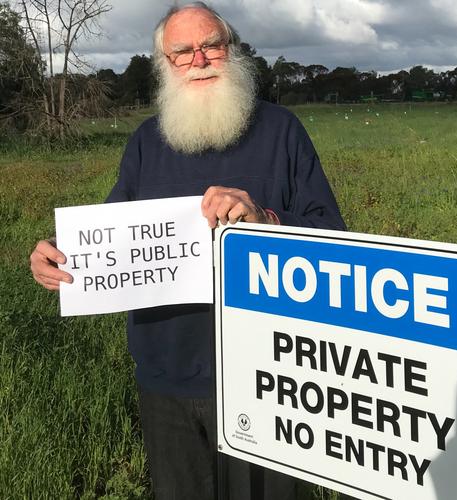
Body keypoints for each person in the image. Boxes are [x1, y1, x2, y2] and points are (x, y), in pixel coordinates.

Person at [29, 2, 346, 499]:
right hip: (165, 376)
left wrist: (267, 220)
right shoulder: (145, 143)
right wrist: (57, 255)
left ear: (232, 51)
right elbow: (108, 235)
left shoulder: (282, 131)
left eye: (211, 45)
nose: (199, 59)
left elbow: (333, 234)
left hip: (268, 379)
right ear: (164, 64)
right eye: (182, 51)